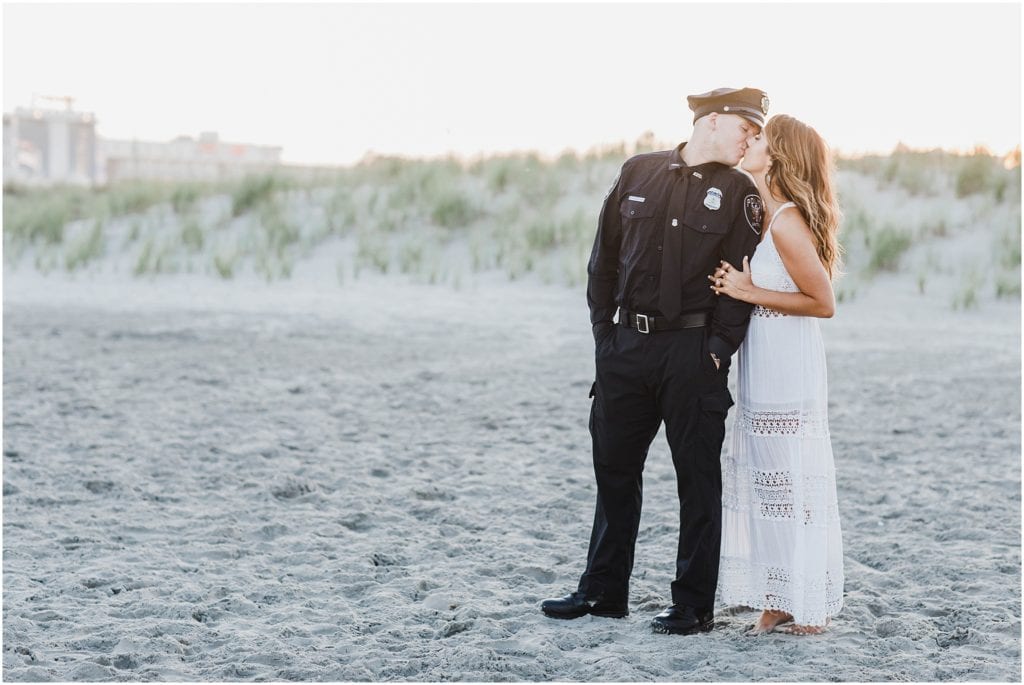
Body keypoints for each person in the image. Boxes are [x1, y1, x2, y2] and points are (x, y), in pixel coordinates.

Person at [541, 87, 769, 635]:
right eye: (745, 128)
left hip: (692, 353)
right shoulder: (636, 172)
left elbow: (740, 282)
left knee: (697, 481)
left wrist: (717, 351)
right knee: (614, 471)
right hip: (625, 349)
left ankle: (692, 605)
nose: (750, 140)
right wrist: (604, 338)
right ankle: (602, 592)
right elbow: (603, 260)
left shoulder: (738, 193)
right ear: (712, 121)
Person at [709, 114, 844, 635]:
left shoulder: (786, 221)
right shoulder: (763, 214)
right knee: (769, 480)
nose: (751, 141)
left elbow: (823, 302)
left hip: (787, 365)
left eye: (761, 137)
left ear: (779, 154)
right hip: (762, 362)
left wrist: (748, 291)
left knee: (787, 479)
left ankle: (803, 602)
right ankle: (780, 595)